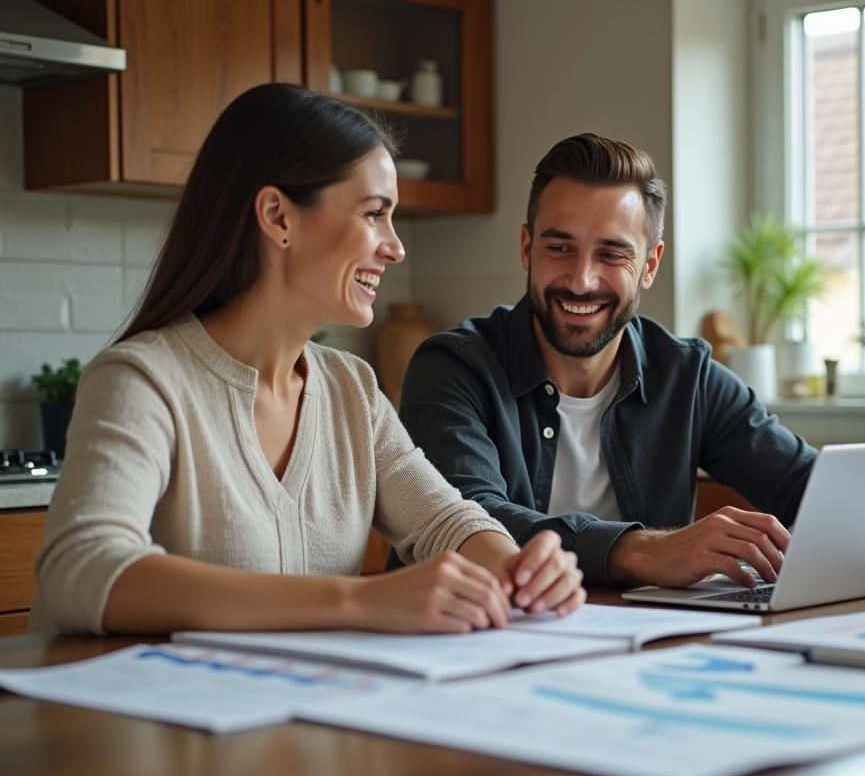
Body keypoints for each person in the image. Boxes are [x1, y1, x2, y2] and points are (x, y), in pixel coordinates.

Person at [29, 84, 584, 636]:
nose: (395, 247)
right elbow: (83, 570)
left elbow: (444, 520)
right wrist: (358, 600)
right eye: (373, 214)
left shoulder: (351, 389)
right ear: (278, 216)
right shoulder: (143, 381)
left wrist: (515, 570)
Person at [399, 133, 818, 589]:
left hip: (636, 645)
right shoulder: (453, 368)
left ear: (650, 265)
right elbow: (470, 522)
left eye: (612, 254)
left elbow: (809, 485)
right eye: (559, 248)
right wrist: (646, 552)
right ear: (526, 247)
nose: (581, 281)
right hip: (471, 639)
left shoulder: (687, 377)